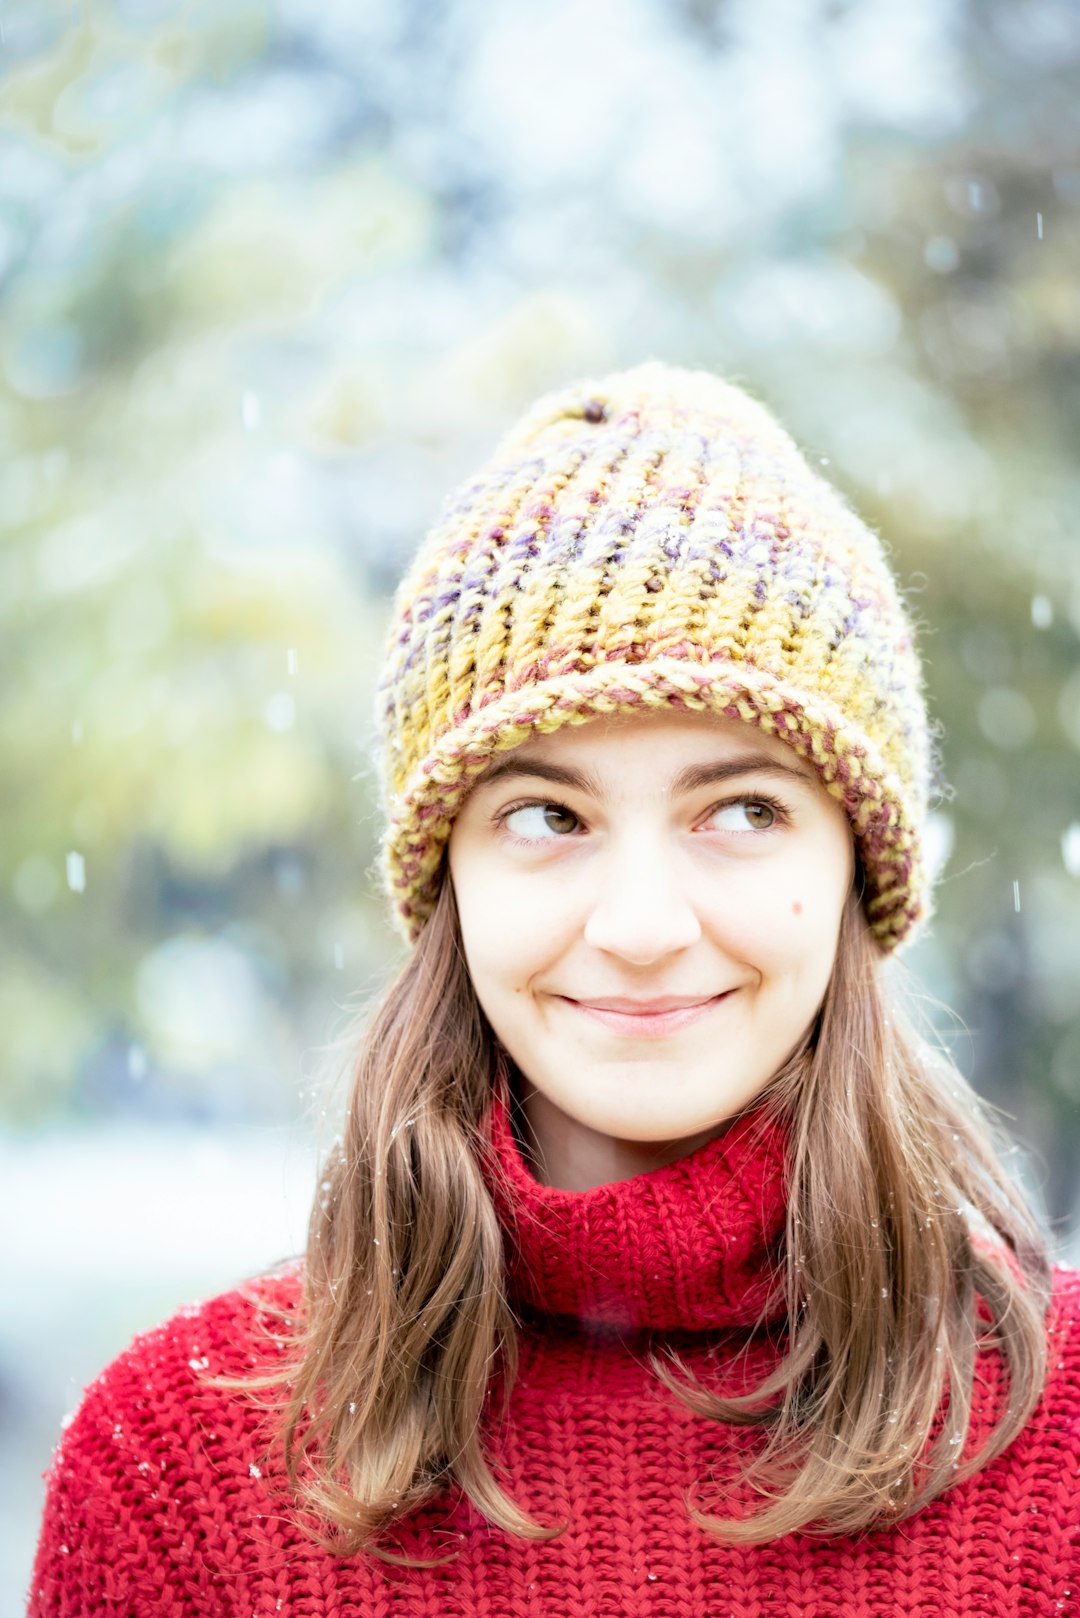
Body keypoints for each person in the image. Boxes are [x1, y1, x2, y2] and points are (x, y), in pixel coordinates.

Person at [29, 364, 1080, 1616]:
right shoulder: (182, 1467)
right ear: (449, 875)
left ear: (856, 864)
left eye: (742, 808)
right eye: (546, 813)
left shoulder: (1061, 1441)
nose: (641, 926)